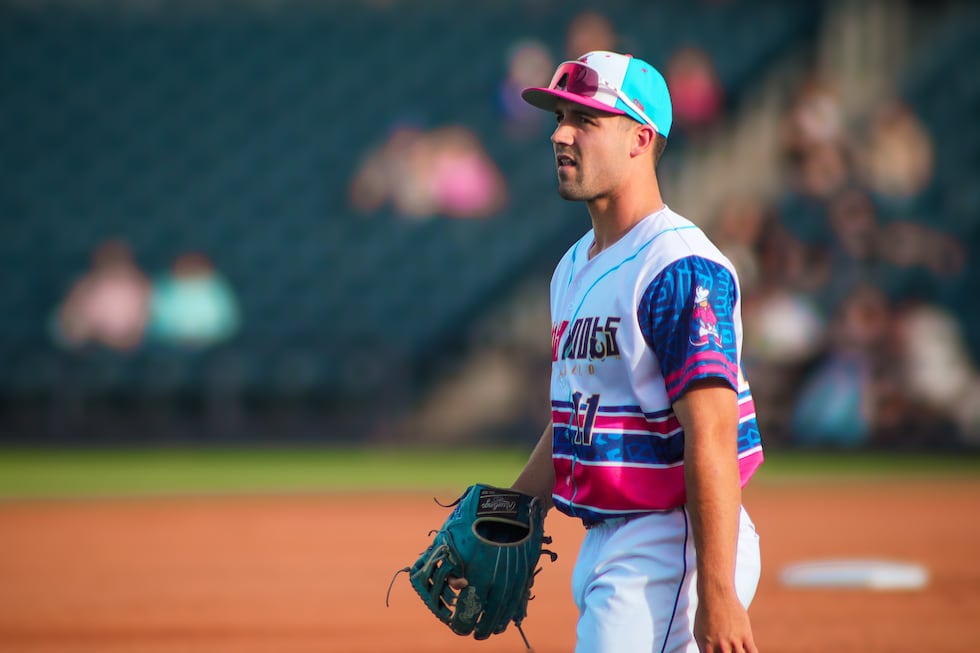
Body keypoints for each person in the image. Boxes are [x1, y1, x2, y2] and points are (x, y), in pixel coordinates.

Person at [470, 51, 766, 652]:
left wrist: (717, 591)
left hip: (671, 544)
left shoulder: (679, 267)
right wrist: (514, 508)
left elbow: (711, 434)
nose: (560, 134)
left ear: (640, 138)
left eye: (585, 119)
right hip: (611, 542)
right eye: (559, 117)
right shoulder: (573, 267)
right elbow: (578, 416)